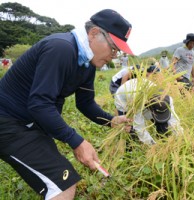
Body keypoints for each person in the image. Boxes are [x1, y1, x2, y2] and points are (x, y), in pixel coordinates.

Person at [0, 9, 133, 199]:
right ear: (94, 33)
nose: (114, 56)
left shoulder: (86, 62)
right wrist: (77, 142)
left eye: (117, 51)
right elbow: (39, 104)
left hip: (31, 125)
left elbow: (85, 103)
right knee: (64, 186)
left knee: (60, 176)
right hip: (9, 123)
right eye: (113, 48)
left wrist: (112, 120)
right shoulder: (61, 48)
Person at [114, 78, 183, 145]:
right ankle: (131, 148)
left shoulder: (167, 99)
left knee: (163, 123)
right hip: (124, 99)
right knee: (130, 128)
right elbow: (140, 128)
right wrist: (152, 145)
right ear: (149, 108)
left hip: (144, 96)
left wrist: (180, 137)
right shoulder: (139, 102)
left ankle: (162, 140)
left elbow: (174, 119)